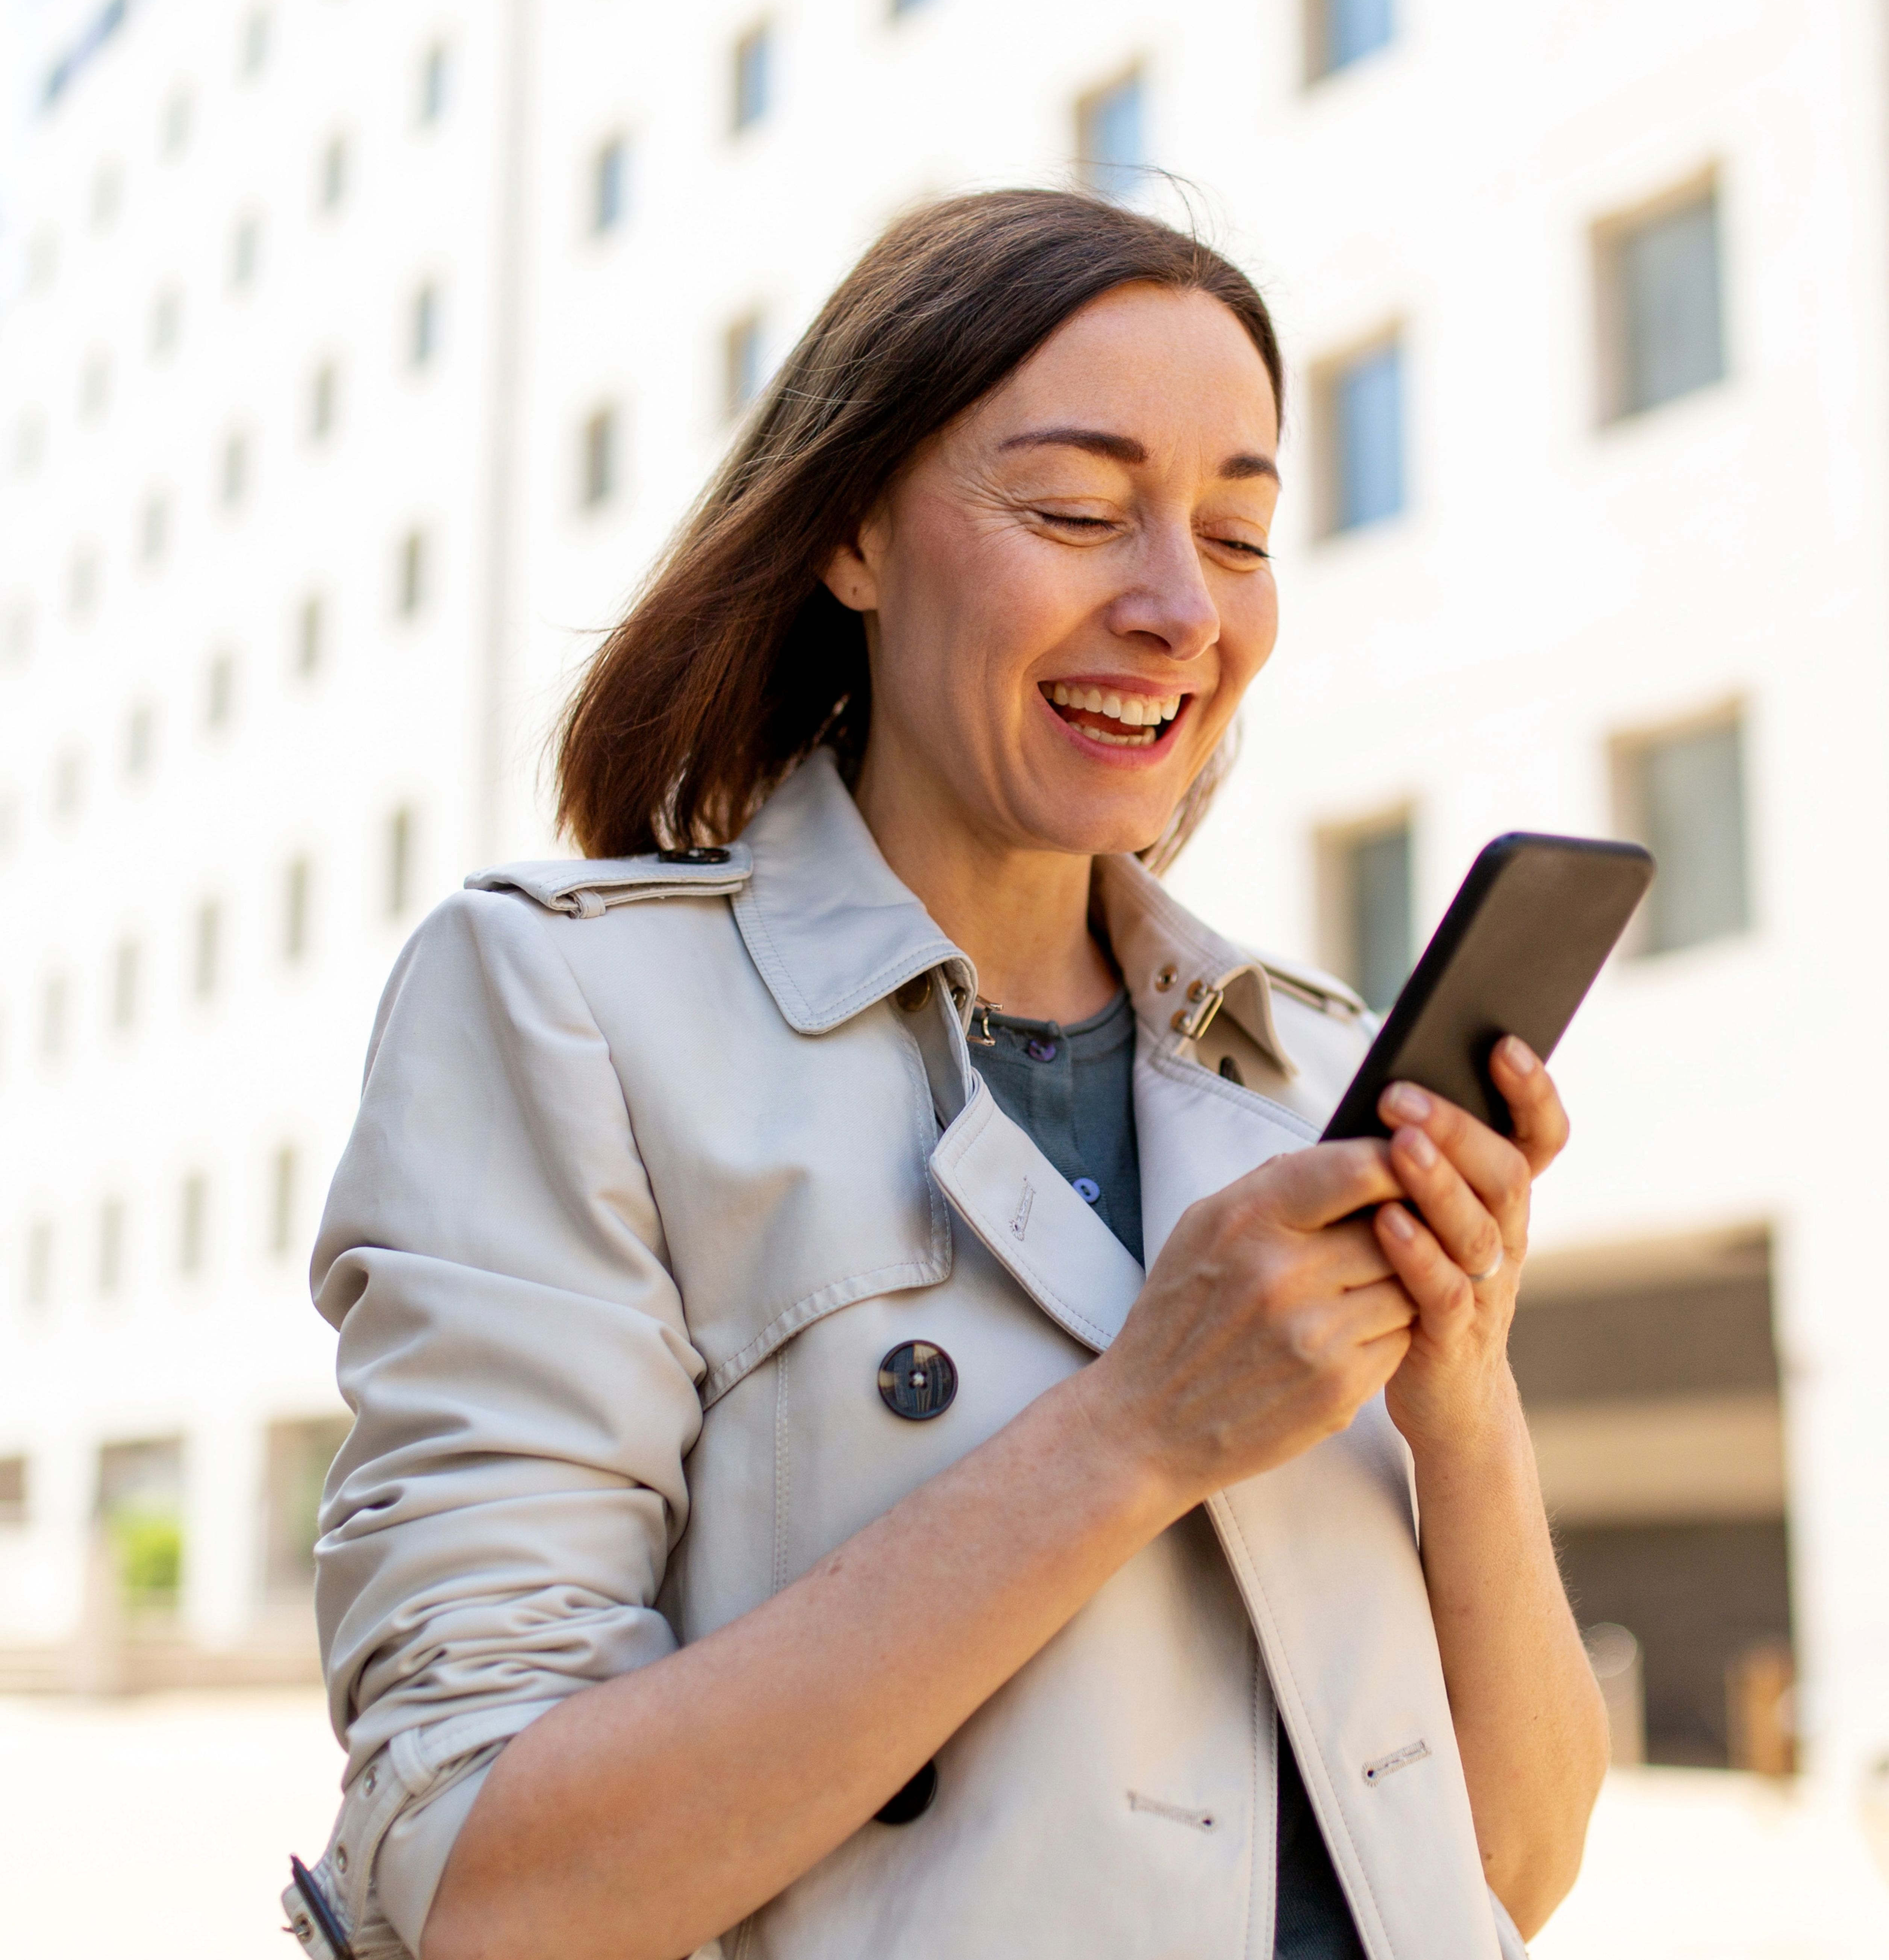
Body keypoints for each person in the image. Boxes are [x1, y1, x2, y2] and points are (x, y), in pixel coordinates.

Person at [288, 189, 1607, 1960]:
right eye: (1074, 511)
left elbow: (1507, 1868)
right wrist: (1135, 1432)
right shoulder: (565, 1006)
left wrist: (1460, 1400)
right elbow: (485, 1886)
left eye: (1236, 534)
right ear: (852, 535)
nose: (1172, 609)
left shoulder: (1310, 1069)